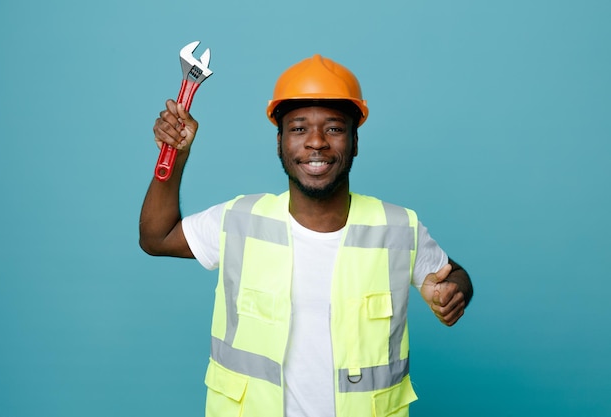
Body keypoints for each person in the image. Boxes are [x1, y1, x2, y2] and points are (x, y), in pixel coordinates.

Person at [139, 54, 473, 417]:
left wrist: (454, 292)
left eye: (334, 128)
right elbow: (157, 237)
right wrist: (176, 155)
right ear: (279, 141)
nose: (316, 142)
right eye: (299, 128)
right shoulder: (239, 220)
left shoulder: (397, 228)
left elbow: (452, 275)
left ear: (355, 142)